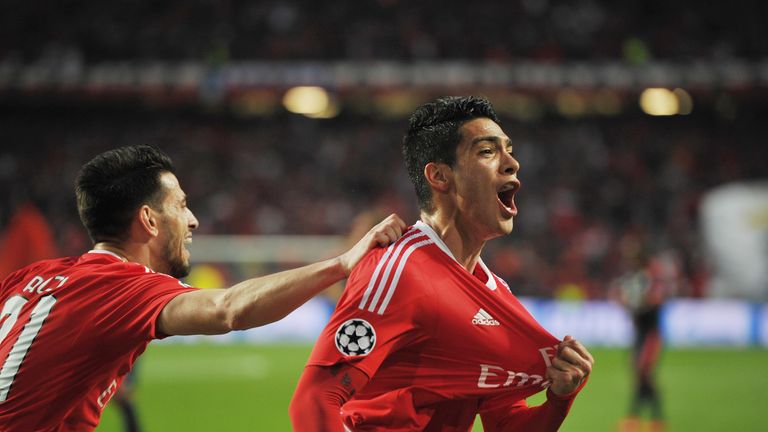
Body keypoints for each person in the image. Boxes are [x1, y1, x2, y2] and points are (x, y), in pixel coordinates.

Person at [0, 145, 406, 431]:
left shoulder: (28, 279)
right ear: (149, 220)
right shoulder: (121, 286)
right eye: (179, 205)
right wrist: (342, 263)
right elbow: (229, 309)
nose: (192, 220)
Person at [290, 96, 594, 431]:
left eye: (509, 150)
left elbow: (505, 423)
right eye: (487, 151)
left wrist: (559, 400)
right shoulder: (399, 271)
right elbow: (314, 401)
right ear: (439, 176)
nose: (512, 163)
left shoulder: (497, 295)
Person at [613, 248, 671, 432]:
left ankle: (647, 418)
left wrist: (633, 304)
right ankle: (647, 419)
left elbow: (654, 302)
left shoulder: (650, 281)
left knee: (644, 375)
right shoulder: (636, 280)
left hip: (650, 335)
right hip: (640, 334)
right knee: (640, 376)